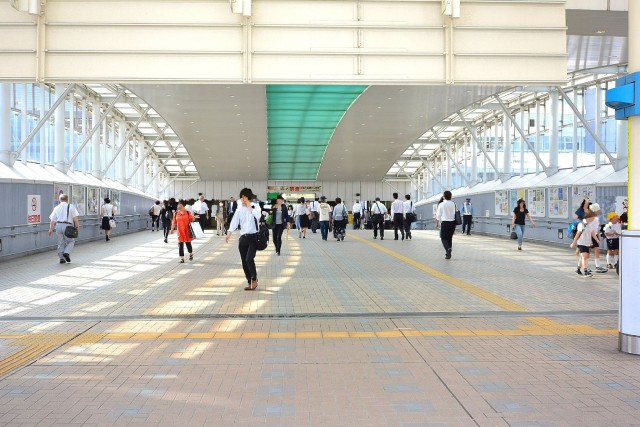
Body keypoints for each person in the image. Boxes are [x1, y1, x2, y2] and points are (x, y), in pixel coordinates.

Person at [225, 188, 262, 291]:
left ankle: (254, 279)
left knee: (249, 259)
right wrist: (229, 233)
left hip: (253, 237)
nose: (242, 199)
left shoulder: (255, 206)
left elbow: (258, 216)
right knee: (244, 261)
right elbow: (235, 220)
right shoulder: (239, 208)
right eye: (241, 197)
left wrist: (249, 206)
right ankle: (249, 281)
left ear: (248, 197)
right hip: (243, 238)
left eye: (244, 197)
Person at [48, 194, 80, 264]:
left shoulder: (56, 207)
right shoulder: (71, 206)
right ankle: (66, 253)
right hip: (67, 226)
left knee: (60, 242)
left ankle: (61, 258)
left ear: (60, 200)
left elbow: (52, 220)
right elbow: (75, 218)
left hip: (58, 225)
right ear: (67, 199)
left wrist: (50, 229)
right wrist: (78, 226)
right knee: (71, 241)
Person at [570, 209, 599, 278]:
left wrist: (596, 239)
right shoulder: (581, 224)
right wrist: (574, 243)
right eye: (592, 217)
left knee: (583, 256)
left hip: (587, 243)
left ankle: (578, 269)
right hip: (581, 243)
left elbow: (592, 233)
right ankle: (585, 271)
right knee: (585, 256)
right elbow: (578, 234)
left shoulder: (589, 225)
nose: (593, 219)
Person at [586, 203, 607, 273]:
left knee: (597, 250)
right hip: (589, 235)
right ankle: (586, 267)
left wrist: (597, 237)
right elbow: (588, 228)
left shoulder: (596, 218)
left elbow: (596, 229)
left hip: (595, 235)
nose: (599, 212)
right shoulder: (589, 218)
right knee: (587, 252)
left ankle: (597, 266)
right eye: (598, 210)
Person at [435, 190, 456, 259]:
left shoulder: (441, 204)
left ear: (444, 197)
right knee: (449, 238)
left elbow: (438, 215)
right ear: (451, 196)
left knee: (443, 238)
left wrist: (438, 222)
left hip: (445, 223)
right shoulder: (454, 203)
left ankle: (448, 249)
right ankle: (448, 254)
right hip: (452, 223)